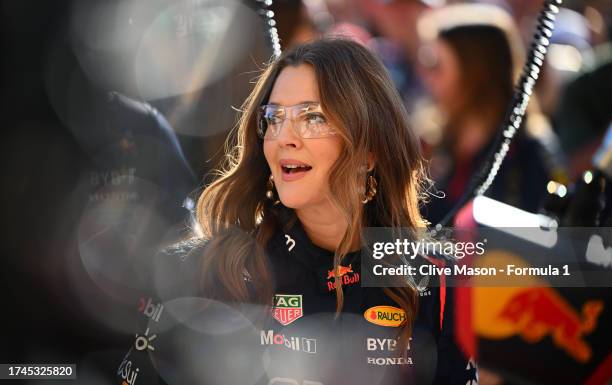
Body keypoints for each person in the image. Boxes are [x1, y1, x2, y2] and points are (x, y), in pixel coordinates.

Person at [116, 38, 475, 385]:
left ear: (370, 150)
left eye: (312, 117)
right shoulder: (203, 272)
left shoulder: (436, 279)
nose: (284, 136)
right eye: (274, 118)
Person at [416, 4, 566, 224]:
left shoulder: (530, 154)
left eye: (435, 65)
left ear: (475, 73)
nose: (424, 76)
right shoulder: (431, 144)